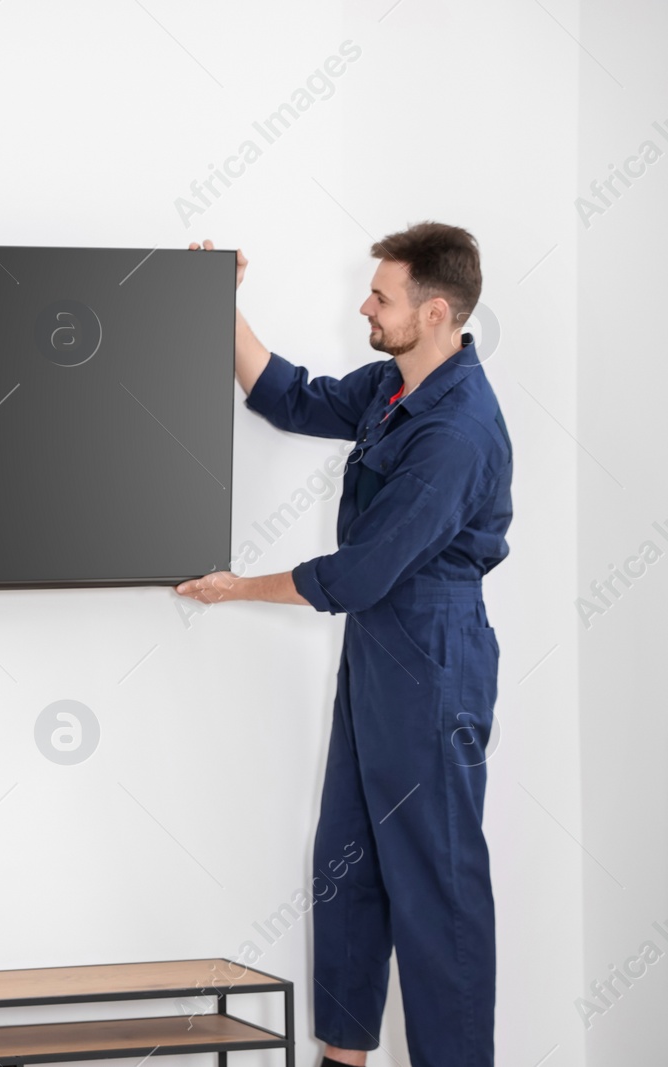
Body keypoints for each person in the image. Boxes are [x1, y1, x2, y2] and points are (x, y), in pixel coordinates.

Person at [176, 224, 512, 1067]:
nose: (364, 304)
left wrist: (235, 586)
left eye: (381, 296)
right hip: (380, 648)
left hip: (433, 653)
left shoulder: (457, 429)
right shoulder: (400, 385)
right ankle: (343, 1057)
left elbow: (359, 574)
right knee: (348, 861)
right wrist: (222, 300)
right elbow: (290, 398)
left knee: (437, 886)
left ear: (434, 311)